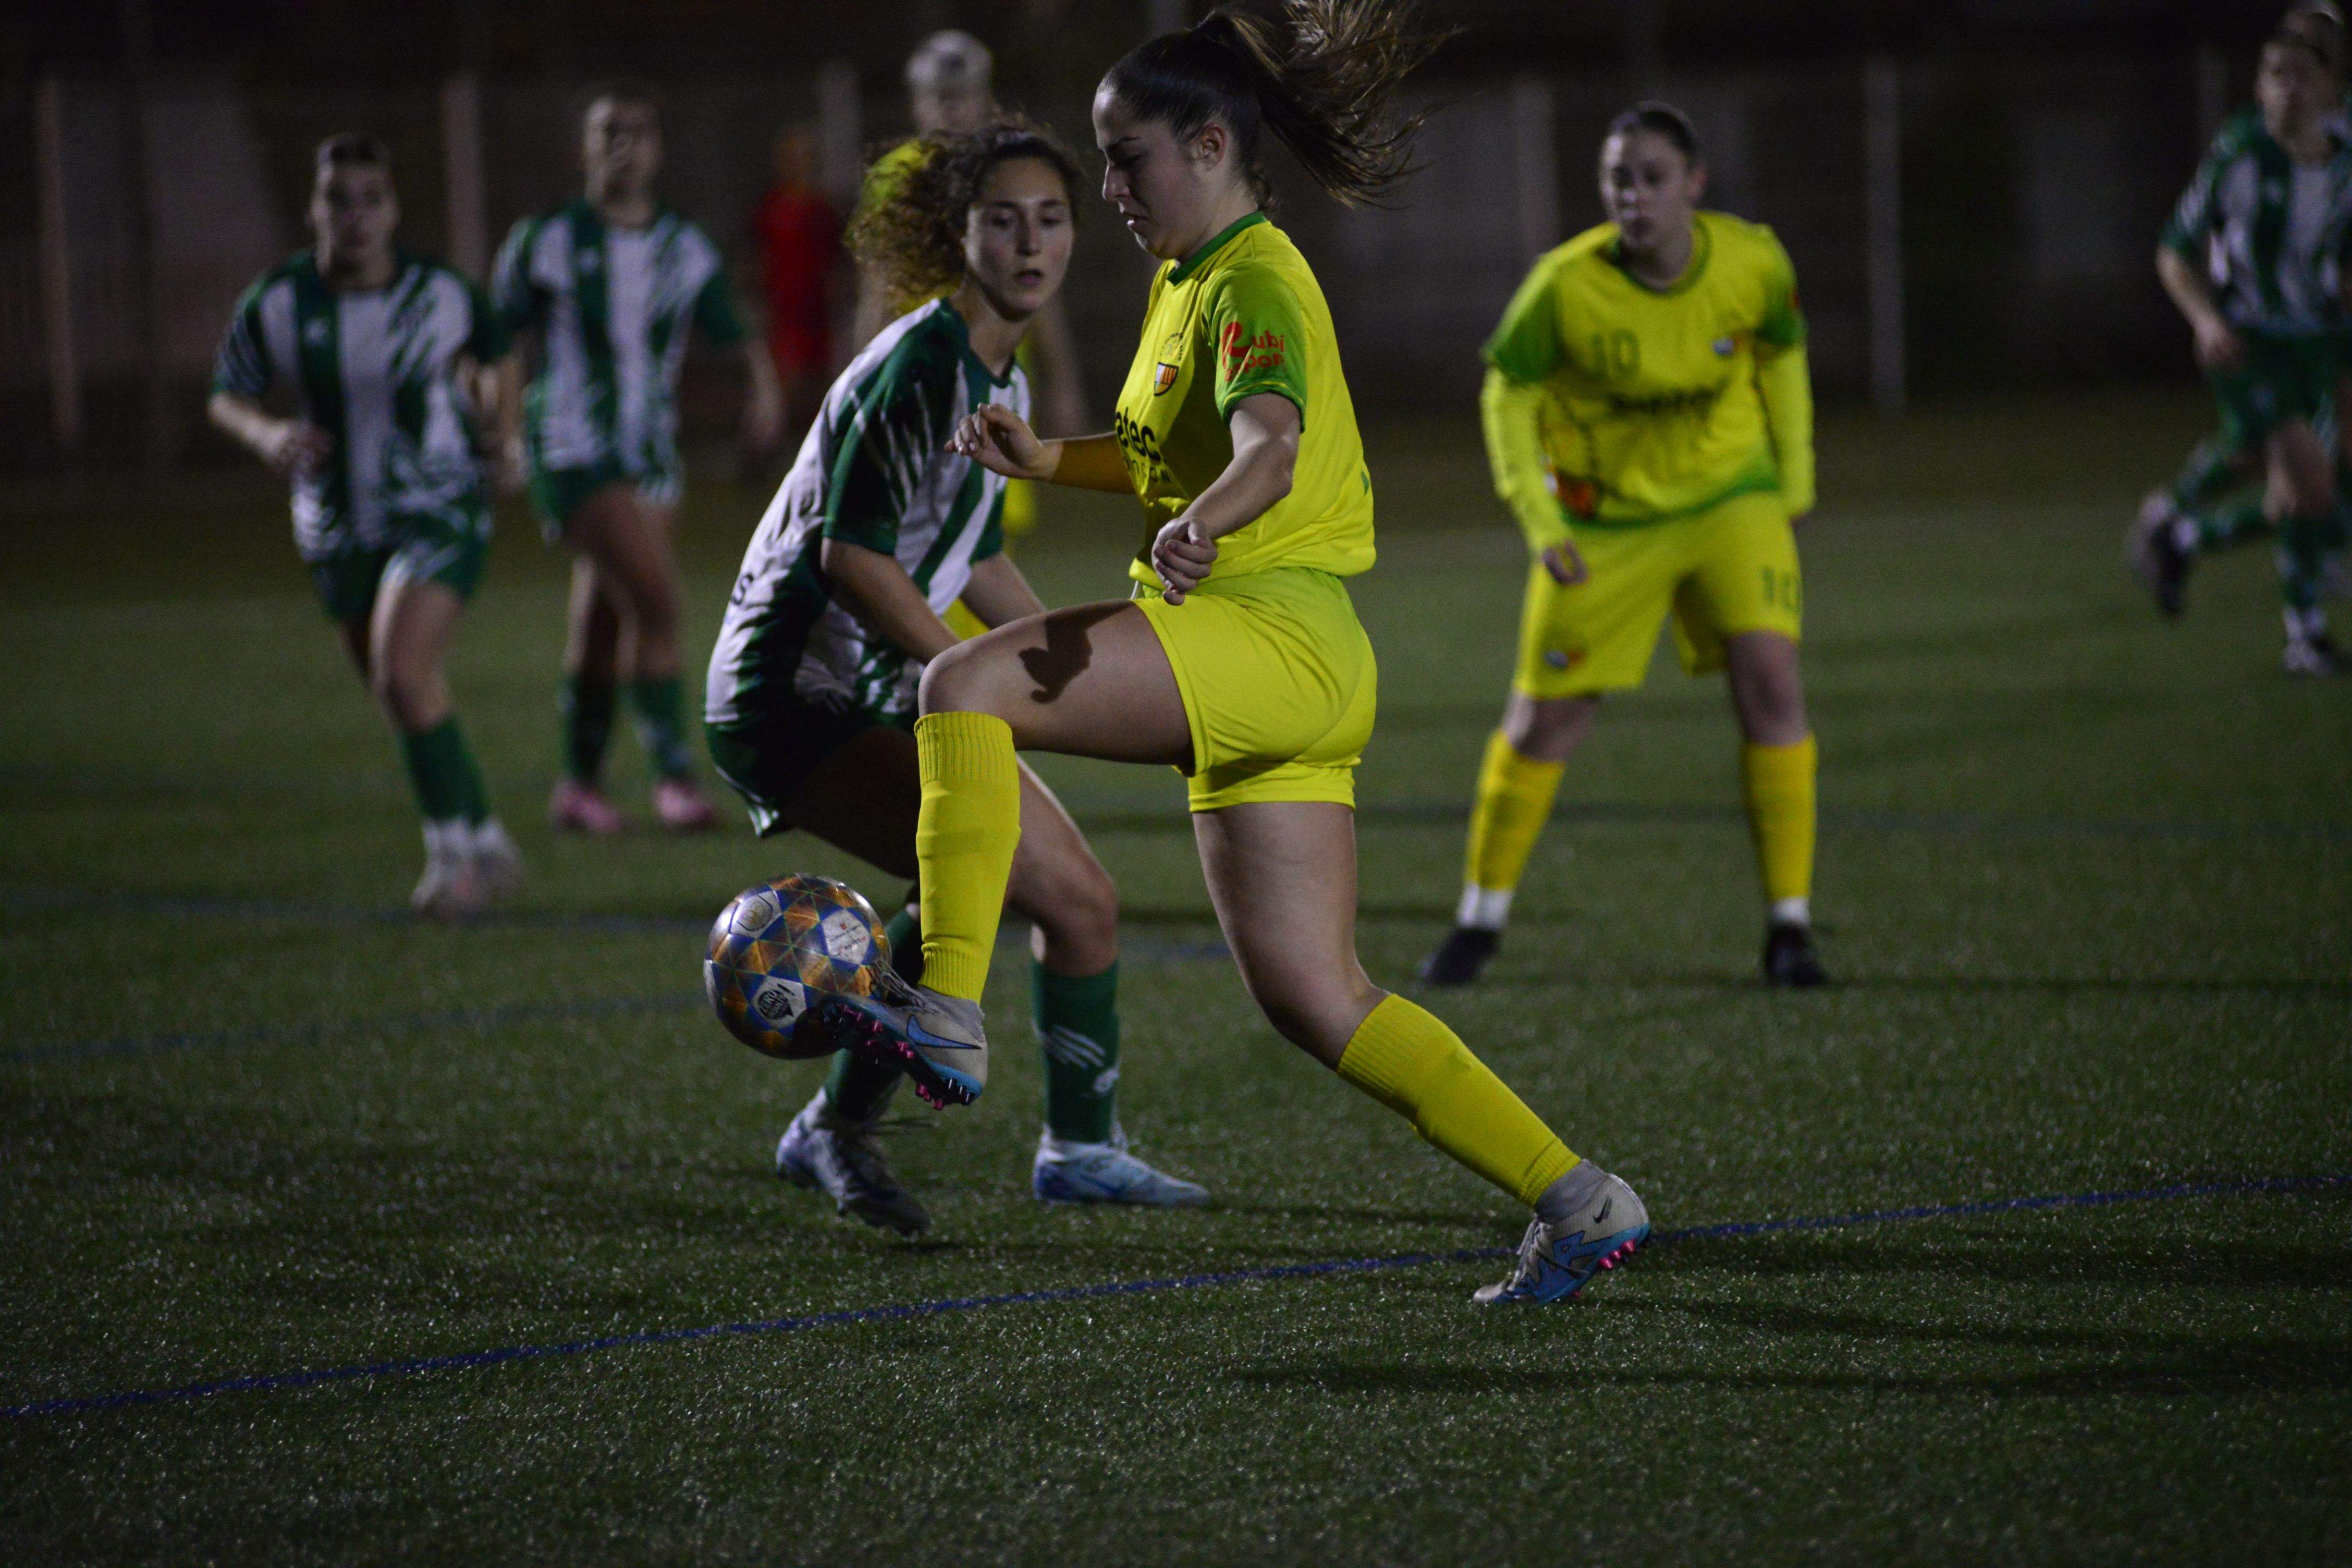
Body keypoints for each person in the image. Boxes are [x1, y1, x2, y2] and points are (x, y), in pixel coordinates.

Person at [831, 1, 1651, 1306]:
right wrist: (1053, 461)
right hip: (1289, 666)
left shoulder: (1257, 275)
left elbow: (1265, 445)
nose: (1105, 188)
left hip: (1264, 625)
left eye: (1125, 157)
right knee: (1318, 998)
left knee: (962, 683)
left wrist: (1201, 529)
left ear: (1209, 145)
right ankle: (1581, 1197)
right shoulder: (1186, 282)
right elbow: (1172, 451)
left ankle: (943, 1006)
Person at [705, 120, 1205, 1234]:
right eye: (1003, 220)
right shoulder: (922, 366)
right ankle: (836, 1128)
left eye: (1053, 219)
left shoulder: (997, 376)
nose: (1032, 243)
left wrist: (1069, 659)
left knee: (1075, 902)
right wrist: (977, 679)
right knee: (1019, 889)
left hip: (880, 679)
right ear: (957, 233)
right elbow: (854, 555)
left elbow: (968, 550)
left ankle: (1077, 1149)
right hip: (790, 696)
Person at [1418, 102, 1826, 993]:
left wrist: (1792, 482)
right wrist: (1541, 521)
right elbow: (1506, 397)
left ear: (1693, 184)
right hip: (1605, 522)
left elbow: (1783, 356)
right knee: (1544, 720)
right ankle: (1478, 919)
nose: (1631, 196)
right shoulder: (1563, 285)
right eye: (1616, 180)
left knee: (1771, 681)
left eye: (1649, 177)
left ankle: (1790, 927)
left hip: (1730, 499)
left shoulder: (1752, 261)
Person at [209, 133, 524, 918]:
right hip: (335, 520)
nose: (354, 216)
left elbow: (498, 354)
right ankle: (486, 837)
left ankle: (452, 860)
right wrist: (266, 435)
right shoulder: (280, 300)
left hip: (438, 502)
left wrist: (505, 430)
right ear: (314, 208)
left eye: (370, 199)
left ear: (394, 210)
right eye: (337, 199)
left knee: (403, 672)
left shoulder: (441, 291)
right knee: (401, 688)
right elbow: (228, 393)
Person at [492, 89, 786, 836]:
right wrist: (502, 433)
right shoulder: (546, 239)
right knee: (659, 604)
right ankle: (676, 781)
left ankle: (578, 789)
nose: (624, 146)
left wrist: (765, 391)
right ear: (582, 151)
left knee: (603, 618)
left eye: (638, 133)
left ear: (658, 149)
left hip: (651, 453)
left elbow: (732, 326)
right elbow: (496, 343)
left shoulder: (681, 244)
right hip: (570, 448)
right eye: (608, 133)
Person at [852, 29, 1088, 641]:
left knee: (978, 547)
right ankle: (951, 699)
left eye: (964, 95)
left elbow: (1042, 288)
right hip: (925, 389)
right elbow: (877, 288)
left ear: (985, 98)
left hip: (993, 386)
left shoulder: (1009, 169)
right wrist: (860, 379)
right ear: (916, 104)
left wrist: (1062, 380)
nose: (953, 109)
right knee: (929, 559)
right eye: (940, 96)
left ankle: (971, 692)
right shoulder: (899, 175)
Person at [2132, 19, 2352, 673]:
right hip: (2247, 342)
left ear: (2332, 89)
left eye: (2302, 78)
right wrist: (2205, 320)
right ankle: (2305, 635)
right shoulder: (2241, 154)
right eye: (2274, 77)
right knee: (2309, 484)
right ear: (2257, 87)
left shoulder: (2344, 156)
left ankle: (2182, 533)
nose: (2287, 92)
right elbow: (2174, 250)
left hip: (2321, 338)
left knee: (2297, 483)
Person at [752, 124, 842, 445]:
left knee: (819, 390)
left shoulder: (823, 209)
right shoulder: (771, 208)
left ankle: (815, 454)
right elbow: (757, 259)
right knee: (779, 387)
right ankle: (763, 455)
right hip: (783, 315)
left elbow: (837, 264)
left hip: (818, 316)